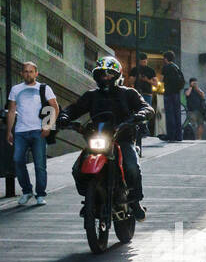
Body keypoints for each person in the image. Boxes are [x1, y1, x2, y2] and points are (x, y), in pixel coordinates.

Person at [57, 55, 154, 220]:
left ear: (117, 75)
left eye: (109, 73)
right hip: (99, 139)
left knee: (131, 167)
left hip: (122, 138)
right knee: (76, 169)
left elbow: (146, 107)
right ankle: (90, 199)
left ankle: (135, 201)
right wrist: (64, 117)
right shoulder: (91, 95)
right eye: (102, 74)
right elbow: (75, 108)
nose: (105, 77)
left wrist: (141, 114)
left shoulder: (129, 93)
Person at [6, 61, 59, 206]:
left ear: (36, 73)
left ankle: (40, 194)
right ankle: (27, 191)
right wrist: (9, 131)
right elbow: (11, 111)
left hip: (38, 131)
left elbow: (55, 107)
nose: (28, 74)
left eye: (31, 71)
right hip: (20, 132)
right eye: (25, 71)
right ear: (21, 73)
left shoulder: (44, 88)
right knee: (17, 161)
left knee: (40, 164)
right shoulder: (16, 89)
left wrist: (48, 126)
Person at [160, 51, 185, 142]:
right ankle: (179, 136)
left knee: (169, 115)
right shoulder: (176, 67)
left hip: (168, 93)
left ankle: (171, 135)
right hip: (177, 93)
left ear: (166, 58)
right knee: (177, 114)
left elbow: (161, 80)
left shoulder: (166, 67)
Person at [128, 60, 156, 137]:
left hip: (147, 93)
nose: (144, 63)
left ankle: (144, 131)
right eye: (142, 61)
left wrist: (146, 80)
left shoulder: (150, 70)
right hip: (138, 93)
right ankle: (140, 131)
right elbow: (130, 81)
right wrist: (136, 78)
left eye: (145, 61)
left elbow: (155, 83)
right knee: (137, 112)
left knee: (146, 112)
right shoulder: (135, 69)